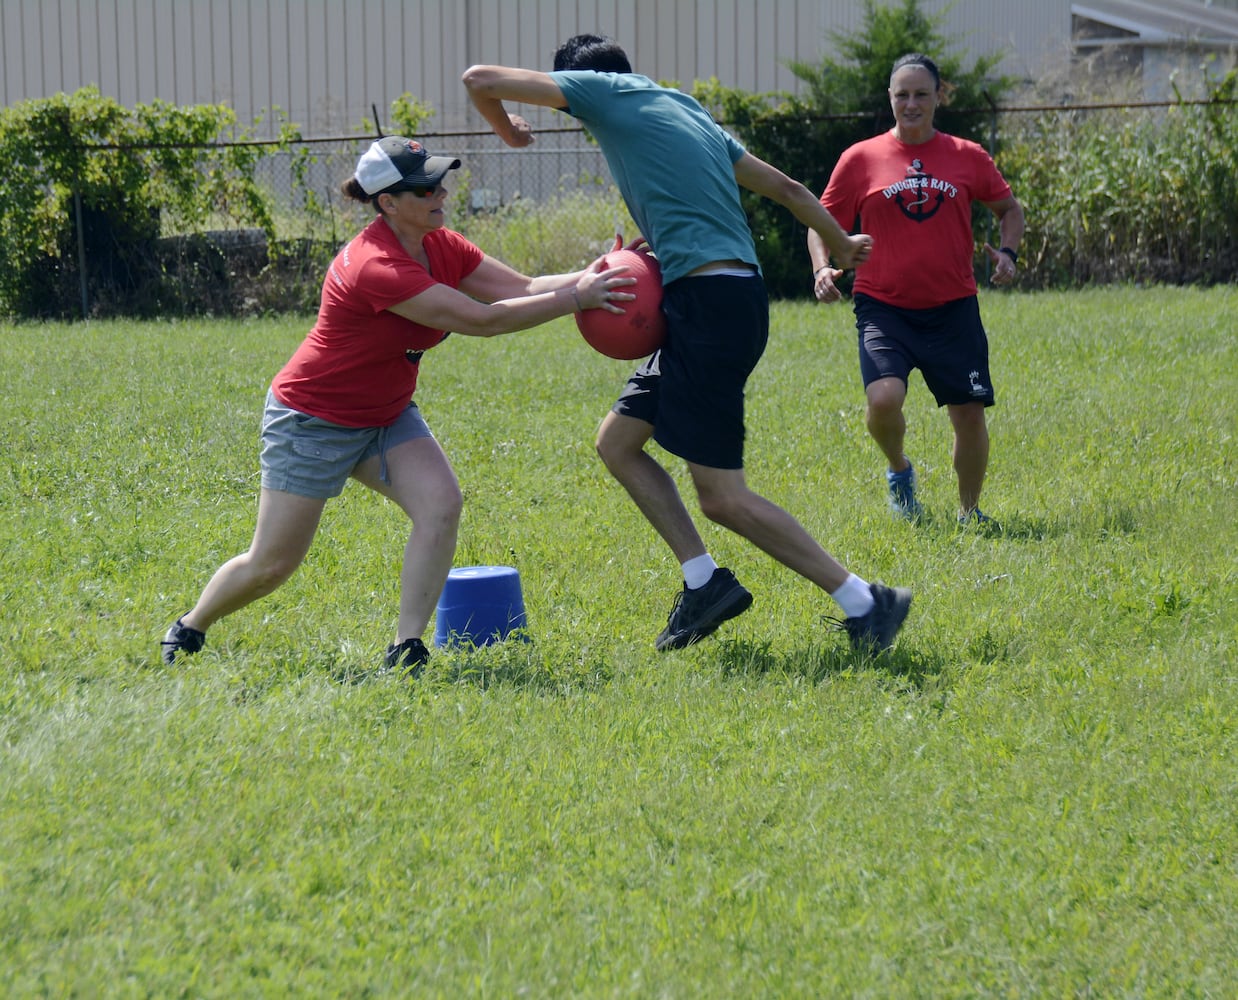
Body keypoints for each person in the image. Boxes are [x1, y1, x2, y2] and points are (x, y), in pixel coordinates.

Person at [462, 34, 913, 655]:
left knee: (723, 497)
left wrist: (507, 131)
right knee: (618, 443)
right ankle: (704, 583)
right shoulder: (683, 107)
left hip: (709, 309)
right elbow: (788, 190)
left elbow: (478, 78)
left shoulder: (602, 92)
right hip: (726, 299)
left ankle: (867, 601)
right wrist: (838, 242)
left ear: (582, 86)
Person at [161, 135, 635, 675]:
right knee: (273, 564)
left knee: (440, 505)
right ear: (387, 202)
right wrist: (577, 299)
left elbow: (522, 285)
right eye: (425, 187)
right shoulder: (375, 265)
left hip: (385, 413)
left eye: (440, 181)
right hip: (312, 419)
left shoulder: (441, 243)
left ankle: (405, 649)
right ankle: (191, 625)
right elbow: (484, 319)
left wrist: (600, 272)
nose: (442, 192)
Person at [808, 53, 1025, 529]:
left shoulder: (967, 156)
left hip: (953, 308)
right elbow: (820, 223)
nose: (911, 103)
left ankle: (970, 514)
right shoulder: (860, 159)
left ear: (937, 97)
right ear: (890, 98)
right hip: (883, 307)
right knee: (883, 400)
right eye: (901, 94)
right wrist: (822, 268)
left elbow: (1010, 209)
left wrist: (1007, 254)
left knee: (968, 414)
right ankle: (899, 470)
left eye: (921, 94)